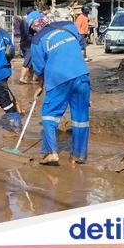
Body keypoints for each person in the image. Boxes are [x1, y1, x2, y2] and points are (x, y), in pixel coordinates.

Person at [30, 14, 90, 166]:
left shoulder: (37, 40)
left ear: (34, 27)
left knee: (48, 116)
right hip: (82, 75)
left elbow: (39, 68)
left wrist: (40, 86)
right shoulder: (68, 25)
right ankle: (79, 155)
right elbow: (81, 45)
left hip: (58, 78)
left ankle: (51, 153)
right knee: (80, 118)